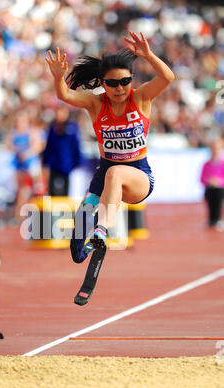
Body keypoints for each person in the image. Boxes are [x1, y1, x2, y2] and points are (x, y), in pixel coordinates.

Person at [45, 31, 175, 252]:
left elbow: (168, 78)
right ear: (103, 83)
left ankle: (101, 231)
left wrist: (149, 55)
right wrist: (58, 78)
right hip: (104, 176)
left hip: (138, 176)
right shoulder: (96, 104)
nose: (120, 88)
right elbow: (64, 96)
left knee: (115, 173)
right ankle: (87, 242)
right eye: (113, 83)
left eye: (125, 81)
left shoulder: (140, 98)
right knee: (77, 242)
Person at [42, 105, 84, 196]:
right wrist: (45, 162)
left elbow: (76, 146)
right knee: (52, 191)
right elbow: (48, 146)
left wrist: (78, 162)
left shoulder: (72, 129)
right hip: (54, 164)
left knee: (67, 191)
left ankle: (65, 209)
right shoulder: (53, 128)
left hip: (67, 164)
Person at [200, 138, 224, 231]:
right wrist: (209, 181)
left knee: (218, 196)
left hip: (220, 189)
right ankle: (211, 219)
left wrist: (219, 181)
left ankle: (218, 219)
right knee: (210, 196)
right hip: (209, 188)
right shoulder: (207, 164)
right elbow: (202, 178)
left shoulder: (222, 164)